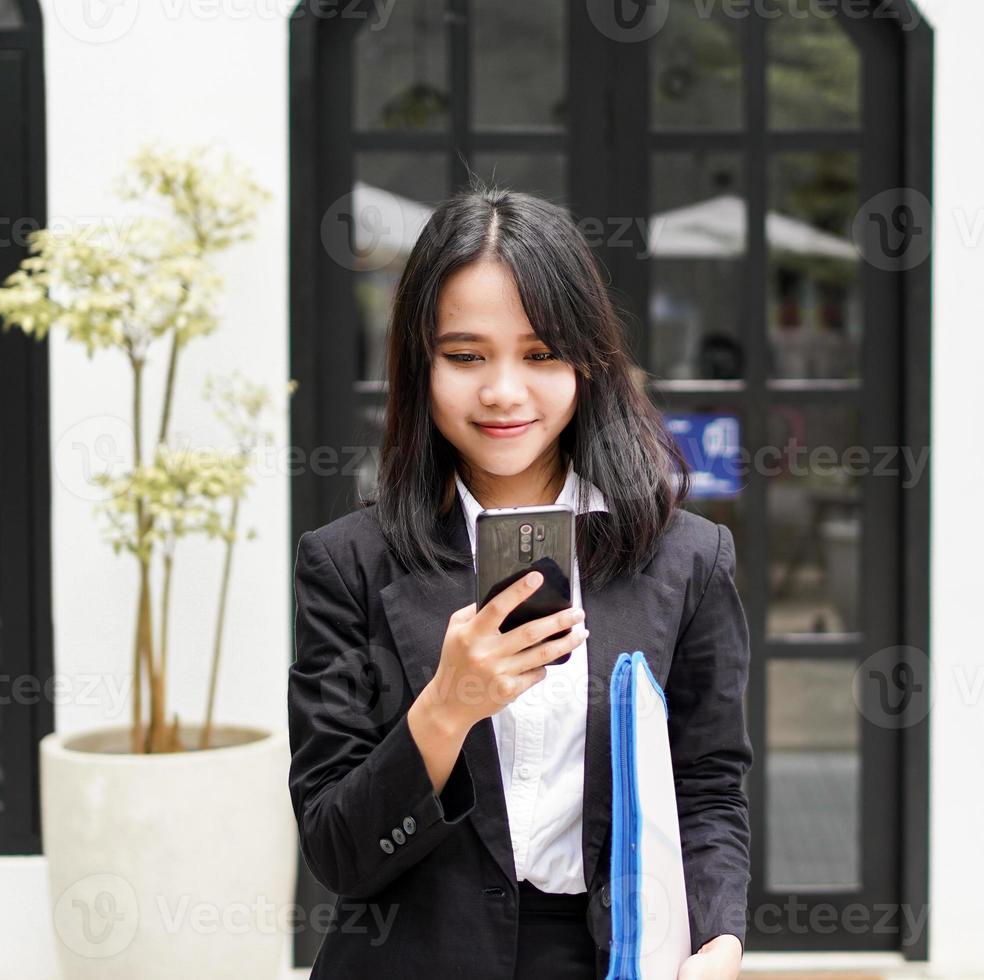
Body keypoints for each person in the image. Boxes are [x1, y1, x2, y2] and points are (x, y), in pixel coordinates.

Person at [288, 182, 752, 979]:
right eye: (466, 356)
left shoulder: (687, 559)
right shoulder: (348, 564)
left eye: (540, 354)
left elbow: (707, 787)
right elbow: (337, 851)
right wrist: (445, 707)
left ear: (587, 362)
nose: (503, 391)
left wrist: (719, 942)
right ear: (419, 364)